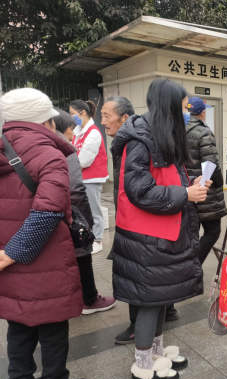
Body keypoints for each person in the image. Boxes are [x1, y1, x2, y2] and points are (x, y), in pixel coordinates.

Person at [111, 78, 211, 379]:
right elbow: (140, 190)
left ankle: (156, 352)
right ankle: (143, 364)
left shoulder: (159, 135)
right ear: (168, 106)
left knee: (159, 299)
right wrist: (185, 195)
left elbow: (165, 180)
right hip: (147, 237)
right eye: (182, 106)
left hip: (160, 232)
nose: (187, 112)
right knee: (150, 302)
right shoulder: (140, 140)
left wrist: (189, 188)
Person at [0, 88, 87, 379]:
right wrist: (13, 253)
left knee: (19, 324)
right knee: (52, 325)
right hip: (41, 258)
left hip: (8, 262)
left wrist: (6, 256)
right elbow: (49, 211)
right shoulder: (48, 154)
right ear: (46, 120)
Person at [103, 97, 180, 345]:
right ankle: (146, 354)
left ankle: (145, 338)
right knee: (144, 283)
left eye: (107, 116)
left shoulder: (135, 141)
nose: (103, 121)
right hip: (135, 223)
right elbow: (140, 190)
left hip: (143, 226)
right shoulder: (131, 141)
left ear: (124, 118)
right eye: (102, 115)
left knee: (146, 285)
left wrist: (187, 192)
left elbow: (144, 190)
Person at [53, 109, 116, 314]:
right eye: (71, 128)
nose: (73, 132)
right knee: (81, 254)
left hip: (49, 212)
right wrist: (84, 223)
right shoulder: (64, 147)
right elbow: (75, 190)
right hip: (68, 211)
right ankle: (89, 299)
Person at [185, 97, 227, 264]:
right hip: (204, 189)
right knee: (212, 232)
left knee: (191, 233)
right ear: (202, 113)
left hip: (185, 189)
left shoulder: (176, 130)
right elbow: (211, 164)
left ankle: (186, 265)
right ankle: (193, 265)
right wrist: (219, 182)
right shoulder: (203, 132)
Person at [69, 99, 109, 254]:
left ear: (82, 113)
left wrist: (70, 168)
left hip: (91, 179)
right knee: (84, 211)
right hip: (81, 178)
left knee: (94, 210)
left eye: (73, 113)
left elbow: (83, 160)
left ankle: (98, 240)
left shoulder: (93, 132)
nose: (72, 116)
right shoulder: (78, 132)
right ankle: (88, 237)